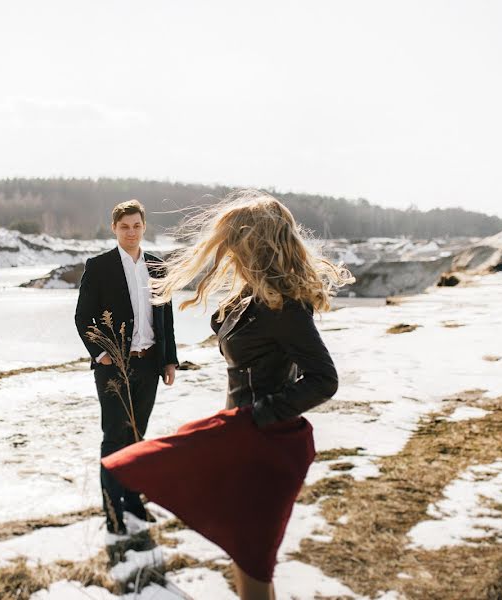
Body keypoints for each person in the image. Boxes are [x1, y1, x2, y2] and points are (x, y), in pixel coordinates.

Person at [101, 190, 353, 599]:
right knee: (246, 563)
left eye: (235, 242)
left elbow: (323, 379)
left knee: (253, 569)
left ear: (254, 243)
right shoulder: (251, 299)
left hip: (265, 445)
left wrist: (259, 416)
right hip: (239, 440)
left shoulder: (283, 306)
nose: (229, 251)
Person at [74, 199, 179, 536]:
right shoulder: (100, 265)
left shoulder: (158, 266)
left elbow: (166, 317)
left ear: (144, 226)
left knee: (138, 437)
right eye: (124, 227)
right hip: (114, 366)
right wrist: (100, 354)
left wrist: (169, 359)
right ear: (114, 229)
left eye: (136, 225)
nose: (131, 232)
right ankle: (113, 512)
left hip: (149, 365)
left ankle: (134, 502)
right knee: (113, 437)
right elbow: (82, 317)